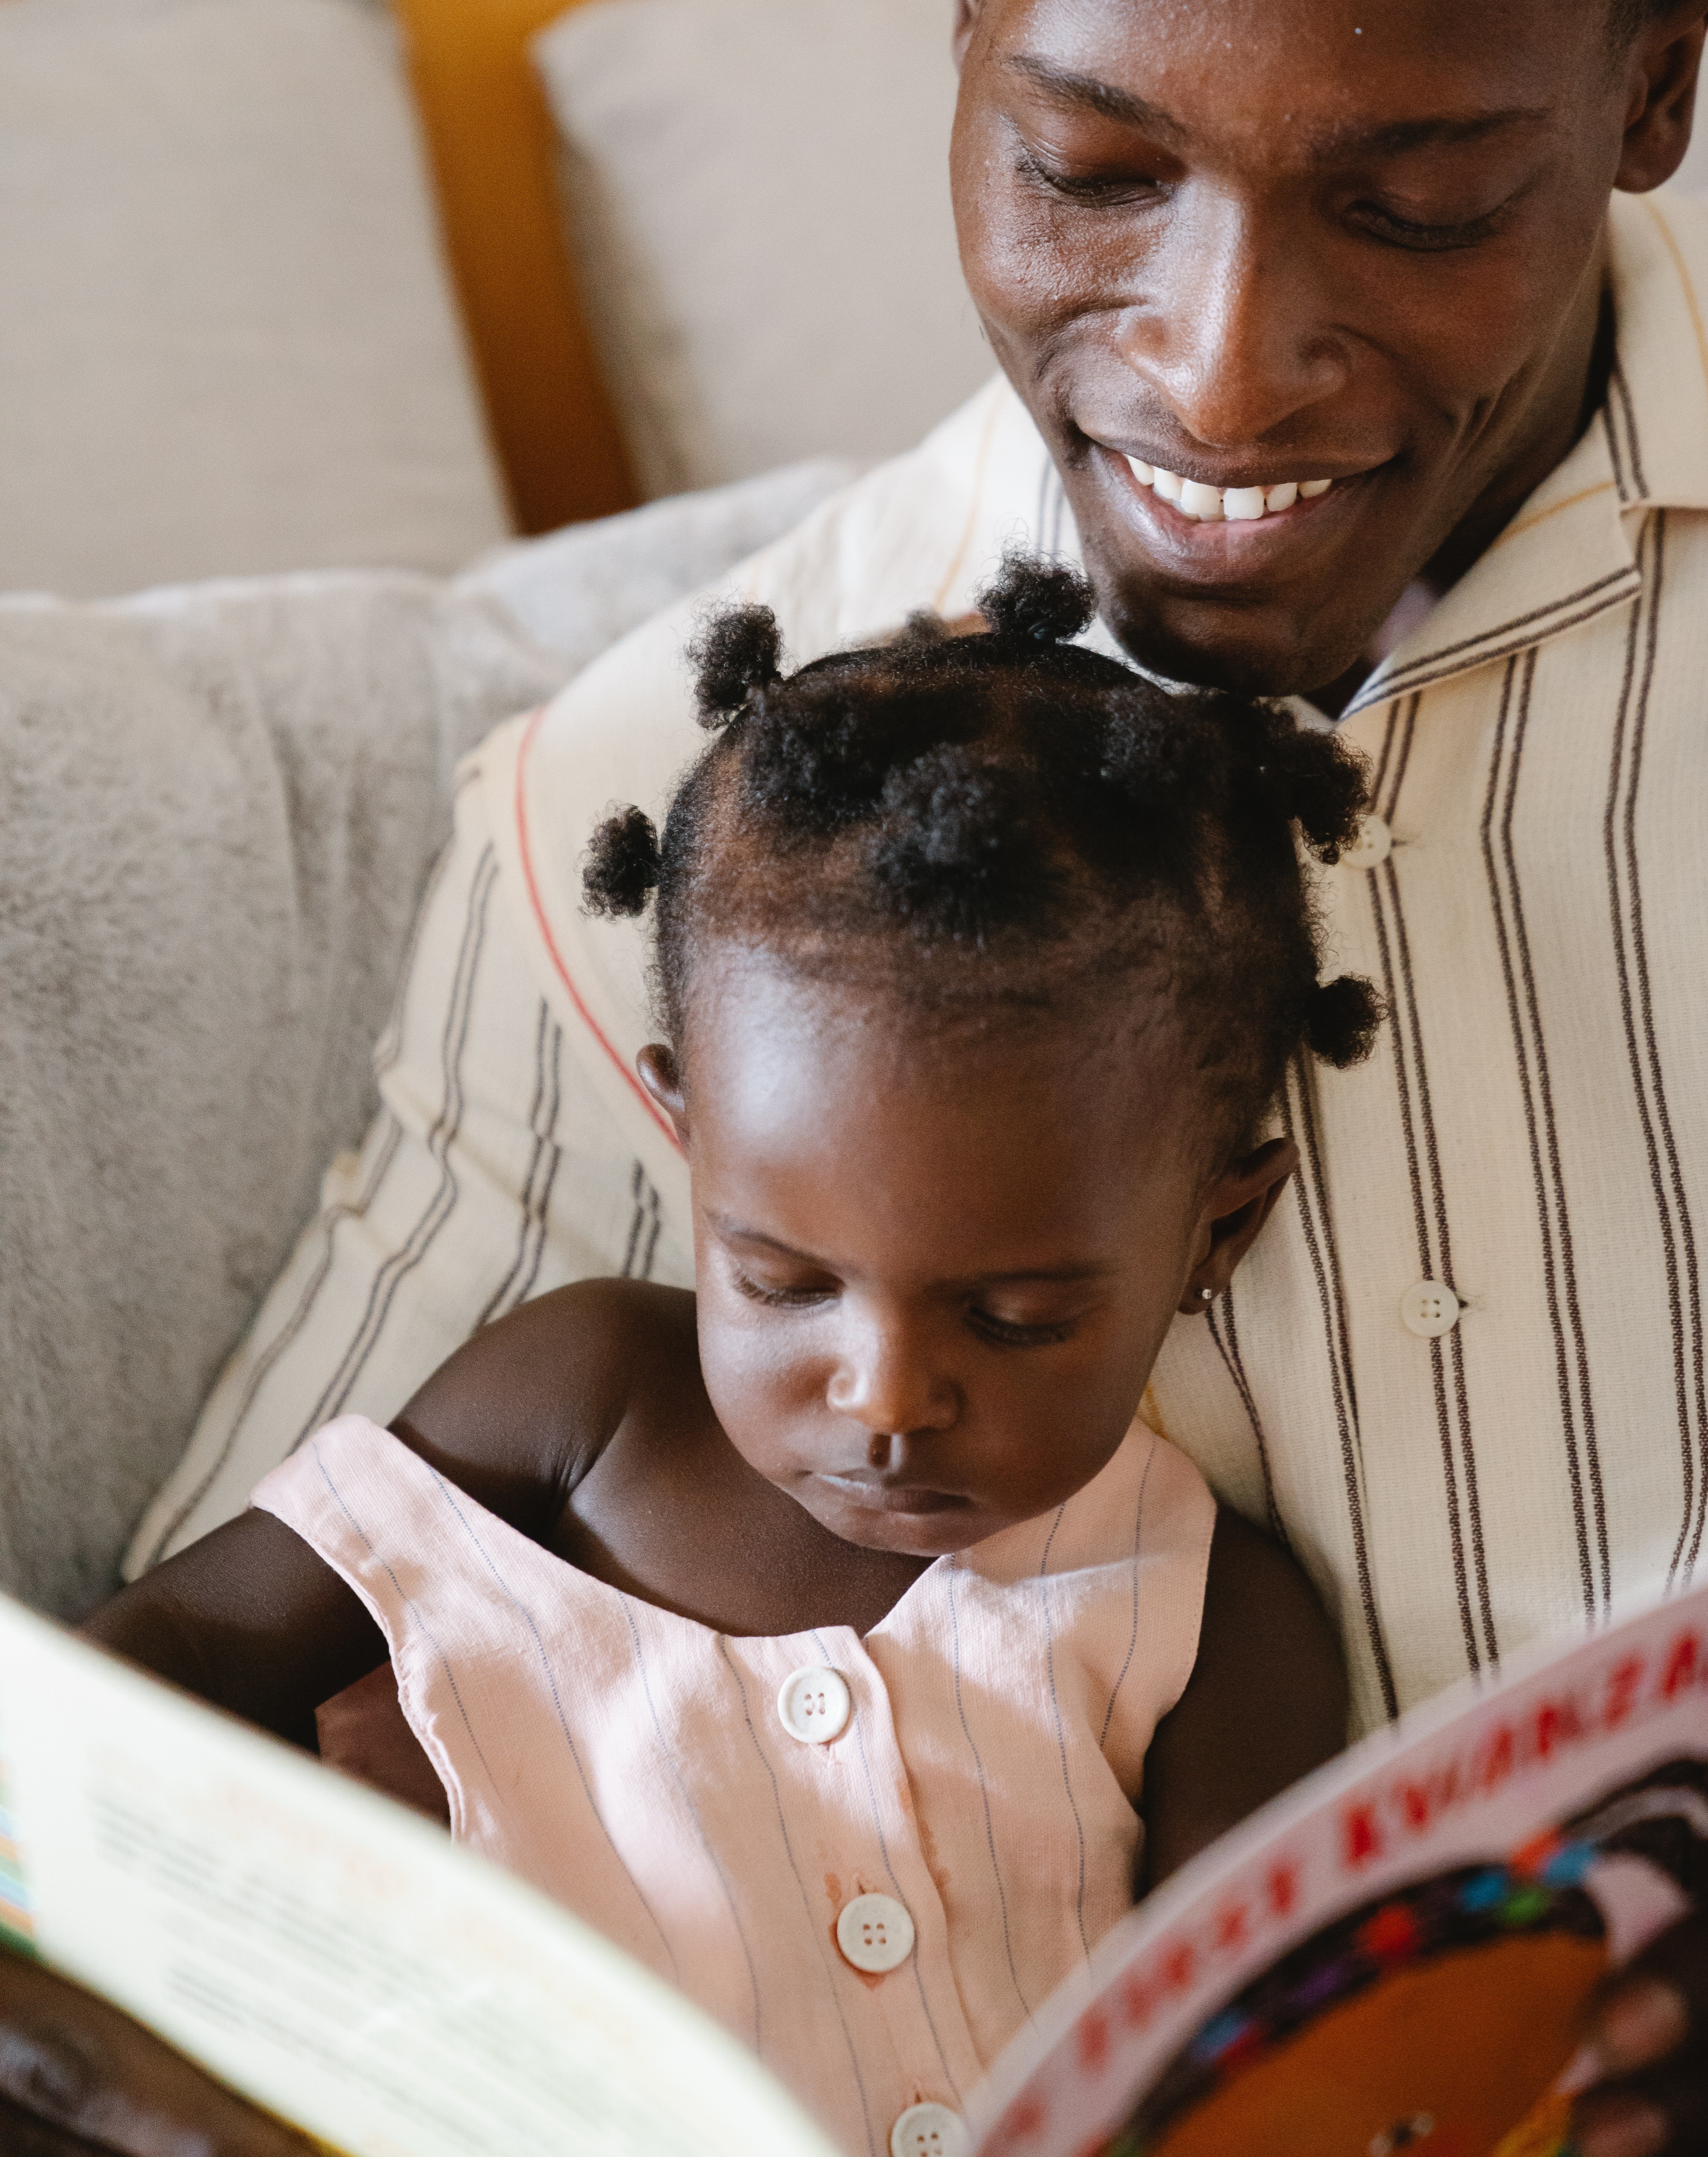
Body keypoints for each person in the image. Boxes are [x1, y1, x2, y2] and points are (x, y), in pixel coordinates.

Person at [10, 0, 1708, 2150]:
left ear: (1657, 89)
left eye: (1419, 195)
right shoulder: (674, 833)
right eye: (1091, 163)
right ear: (963, 25)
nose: (1222, 367)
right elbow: (223, 1783)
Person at [70, 561, 1357, 2157]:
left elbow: (1260, 2065)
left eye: (1014, 1318)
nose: (884, 1398)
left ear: (1218, 1230)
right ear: (688, 1138)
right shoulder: (585, 1403)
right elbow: (166, 1652)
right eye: (783, 1279)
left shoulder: (1212, 1620)